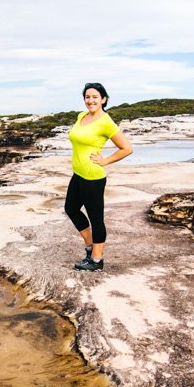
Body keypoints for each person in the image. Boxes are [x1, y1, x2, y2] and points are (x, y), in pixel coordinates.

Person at [65, 82, 133, 271]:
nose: (90, 100)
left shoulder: (106, 121)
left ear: (103, 99)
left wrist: (105, 161)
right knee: (71, 208)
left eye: (95, 97)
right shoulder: (81, 116)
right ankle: (89, 246)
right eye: (87, 97)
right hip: (78, 173)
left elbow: (127, 148)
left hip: (93, 177)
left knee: (96, 218)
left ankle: (96, 260)